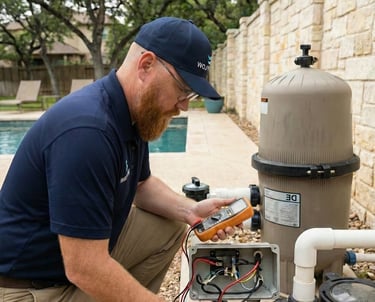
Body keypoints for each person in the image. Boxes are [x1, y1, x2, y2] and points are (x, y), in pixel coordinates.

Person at [0, 17, 236, 302]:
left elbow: (141, 184)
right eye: (183, 88)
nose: (185, 104)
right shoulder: (88, 132)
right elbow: (84, 267)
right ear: (146, 65)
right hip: (28, 287)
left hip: (70, 263)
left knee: (168, 227)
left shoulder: (131, 113)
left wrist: (191, 211)